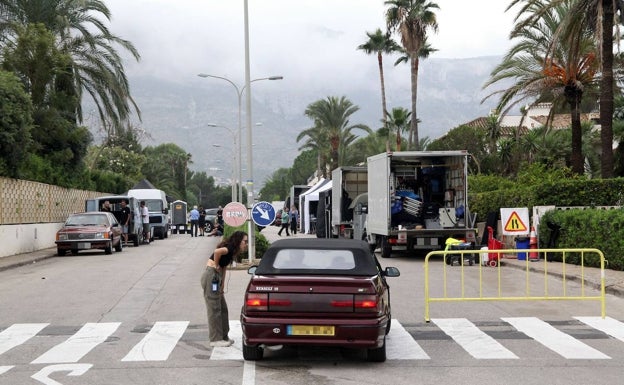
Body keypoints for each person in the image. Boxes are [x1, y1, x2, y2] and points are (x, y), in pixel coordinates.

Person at [200, 230, 248, 347]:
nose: (245, 244)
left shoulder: (232, 251)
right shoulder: (229, 248)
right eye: (244, 241)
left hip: (217, 278)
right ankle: (215, 339)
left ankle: (223, 336)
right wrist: (216, 265)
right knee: (214, 309)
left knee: (223, 308)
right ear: (238, 241)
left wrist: (222, 285)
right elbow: (217, 252)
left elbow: (224, 267)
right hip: (211, 276)